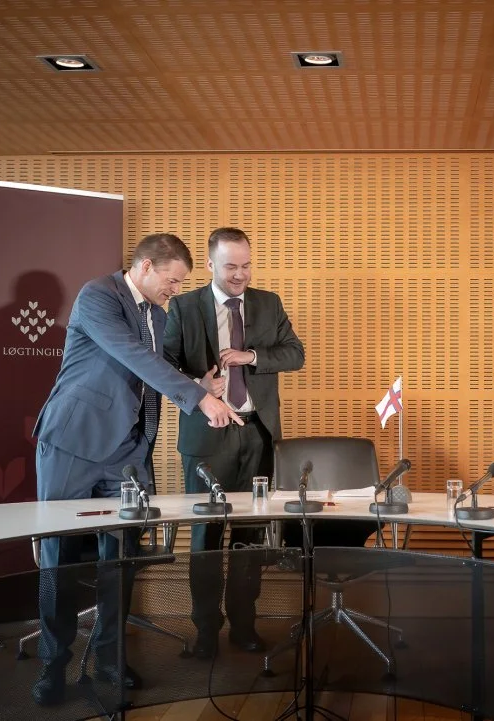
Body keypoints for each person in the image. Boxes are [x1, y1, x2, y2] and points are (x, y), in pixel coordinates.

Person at [31, 233, 242, 706]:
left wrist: (196, 383)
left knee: (121, 560)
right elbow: (133, 356)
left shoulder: (159, 313)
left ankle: (110, 657)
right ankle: (53, 664)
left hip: (127, 451)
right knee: (59, 559)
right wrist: (199, 399)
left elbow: (149, 372)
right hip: (73, 443)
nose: (176, 290)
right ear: (146, 266)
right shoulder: (98, 296)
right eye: (173, 280)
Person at [163, 227, 305, 659]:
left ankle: (244, 626)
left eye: (246, 266)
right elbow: (162, 365)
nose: (240, 275)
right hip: (206, 437)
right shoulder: (184, 306)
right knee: (205, 538)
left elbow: (295, 354)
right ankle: (206, 631)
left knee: (250, 538)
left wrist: (252, 356)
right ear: (210, 265)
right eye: (230, 267)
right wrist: (197, 386)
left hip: (257, 435)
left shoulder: (268, 303)